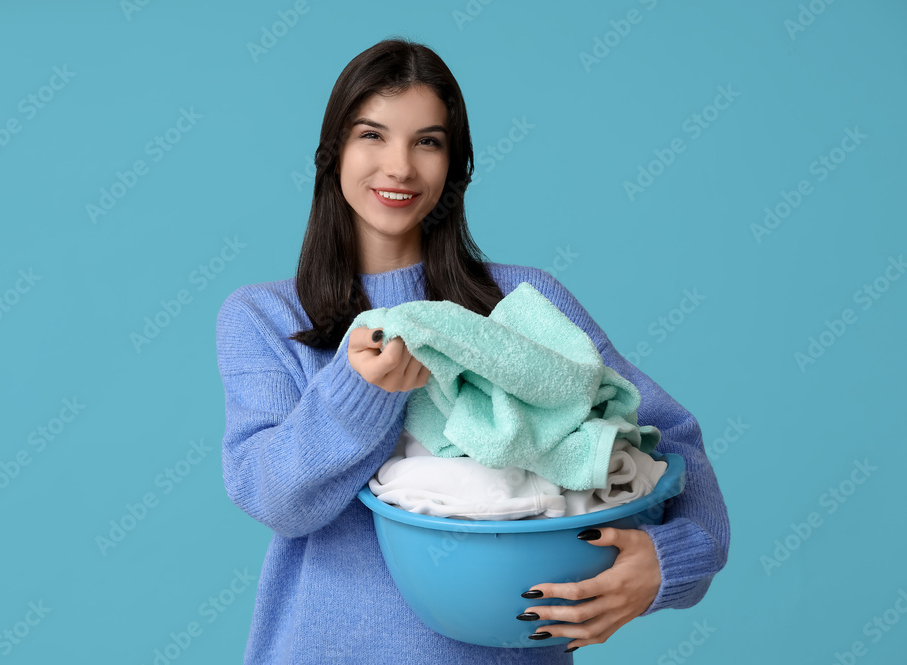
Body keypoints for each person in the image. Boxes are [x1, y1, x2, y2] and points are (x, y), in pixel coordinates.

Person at [216, 37, 730, 664]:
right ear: (333, 153)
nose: (400, 166)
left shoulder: (523, 301)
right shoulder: (265, 318)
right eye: (371, 135)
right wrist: (363, 394)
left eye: (427, 141)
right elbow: (277, 500)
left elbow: (668, 437)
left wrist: (672, 558)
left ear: (456, 165)